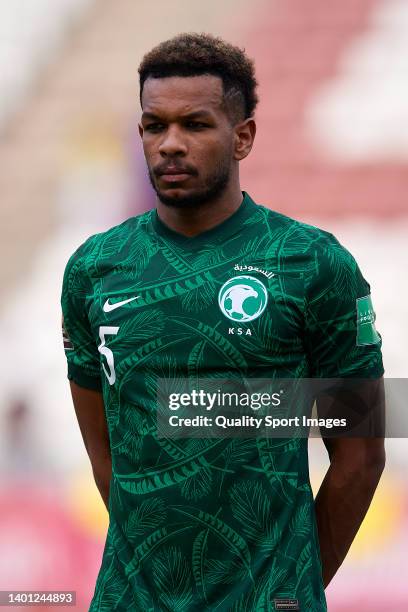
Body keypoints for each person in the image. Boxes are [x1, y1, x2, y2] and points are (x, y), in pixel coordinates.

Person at [61, 33, 385, 612]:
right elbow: (106, 453)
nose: (170, 145)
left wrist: (293, 583)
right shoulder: (93, 268)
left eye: (196, 125)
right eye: (154, 126)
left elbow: (359, 458)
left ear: (243, 137)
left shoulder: (312, 263)